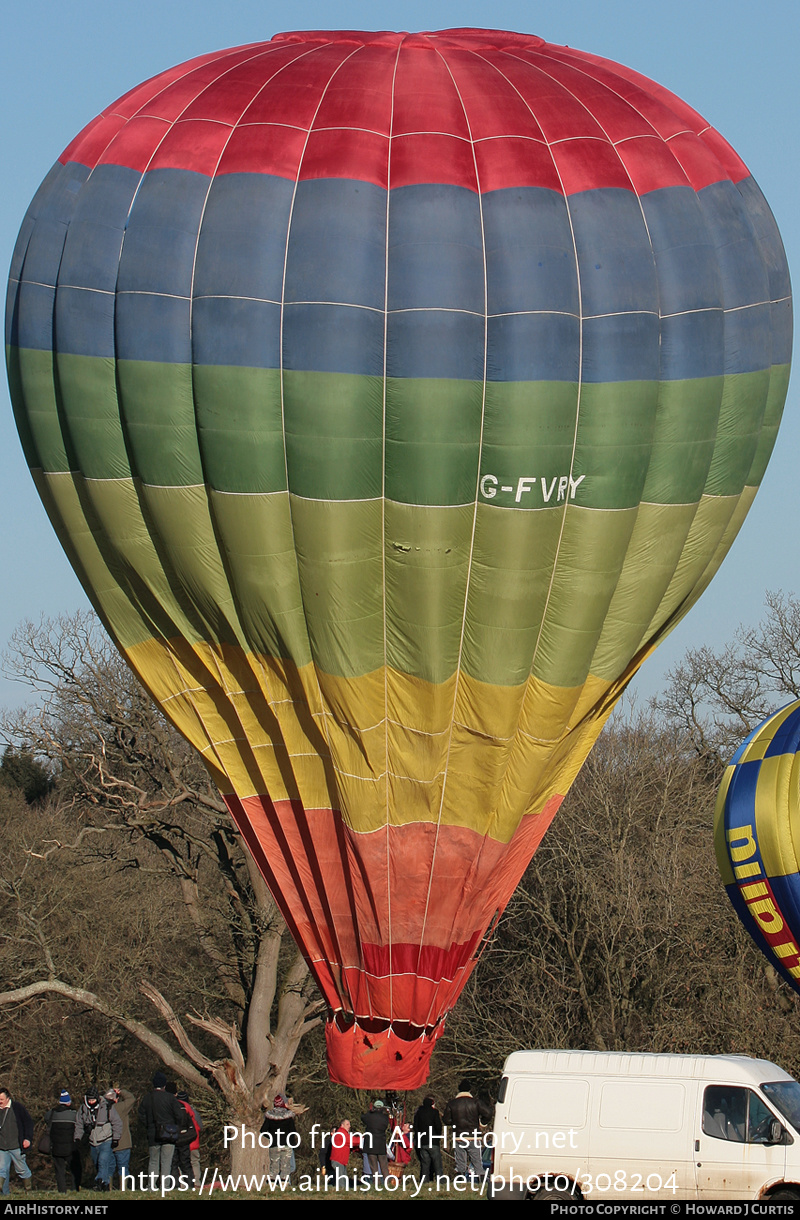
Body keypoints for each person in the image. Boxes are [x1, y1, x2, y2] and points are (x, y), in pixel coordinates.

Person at [139, 1071, 186, 1190]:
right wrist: (176, 1126)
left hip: (153, 1134)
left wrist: (149, 1125)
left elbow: (141, 1115)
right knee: (166, 1162)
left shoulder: (147, 1098)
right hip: (169, 1133)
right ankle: (164, 1186)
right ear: (164, 1085)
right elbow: (179, 1115)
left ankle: (151, 1186)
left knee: (153, 1161)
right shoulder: (170, 1098)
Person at [442, 1080, 492, 1182]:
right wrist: (482, 1123)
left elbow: (446, 1120)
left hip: (459, 1136)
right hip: (473, 1136)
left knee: (460, 1164)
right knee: (478, 1163)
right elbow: (488, 1113)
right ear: (469, 1090)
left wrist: (455, 1122)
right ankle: (482, 1183)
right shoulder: (476, 1102)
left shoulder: (452, 1104)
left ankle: (460, 1184)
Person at [75, 1085, 122, 1192]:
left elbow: (117, 1122)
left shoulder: (107, 1106)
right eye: (89, 1100)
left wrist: (116, 1138)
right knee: (97, 1163)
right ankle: (105, 1184)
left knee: (103, 1161)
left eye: (93, 1099)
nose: (91, 1102)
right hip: (93, 1140)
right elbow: (79, 1124)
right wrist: (77, 1138)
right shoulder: (83, 1109)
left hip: (106, 1139)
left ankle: (98, 1181)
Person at [45, 1089, 81, 1193]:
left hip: (56, 1147)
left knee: (59, 1170)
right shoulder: (74, 1114)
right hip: (71, 1148)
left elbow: (46, 1120)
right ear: (68, 1103)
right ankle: (75, 1188)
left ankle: (62, 1190)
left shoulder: (51, 1113)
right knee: (75, 1168)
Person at [0, 1088, 33, 1193]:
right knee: (2, 1170)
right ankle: (4, 1194)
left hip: (16, 1146)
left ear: (8, 1098)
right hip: (2, 1147)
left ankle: (28, 1191)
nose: (0, 1101)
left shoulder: (17, 1108)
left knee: (22, 1169)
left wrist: (27, 1138)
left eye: (1, 1099)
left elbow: (28, 1123)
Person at [260, 1094, 297, 1181]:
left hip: (274, 1144)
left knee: (274, 1166)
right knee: (286, 1167)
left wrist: (271, 1136)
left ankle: (272, 1185)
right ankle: (284, 1185)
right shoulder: (288, 1117)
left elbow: (263, 1131)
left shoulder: (270, 1117)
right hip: (286, 1145)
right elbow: (293, 1131)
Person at [106, 1086, 135, 1188]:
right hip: (123, 1142)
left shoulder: (102, 1110)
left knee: (109, 1167)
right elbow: (131, 1099)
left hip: (107, 1143)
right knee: (123, 1167)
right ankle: (123, 1189)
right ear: (116, 1099)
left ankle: (108, 1188)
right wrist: (121, 1091)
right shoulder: (121, 1108)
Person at [413, 1095, 443, 1182]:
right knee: (437, 1163)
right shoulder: (434, 1112)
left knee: (425, 1164)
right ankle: (440, 1180)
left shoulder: (419, 1113)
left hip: (422, 1141)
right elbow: (438, 1126)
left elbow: (416, 1127)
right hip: (433, 1141)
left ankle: (424, 1181)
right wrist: (438, 1136)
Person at [176, 1091, 201, 1188]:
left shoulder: (176, 1110)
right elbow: (200, 1126)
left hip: (181, 1141)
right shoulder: (193, 1111)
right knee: (194, 1162)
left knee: (181, 1163)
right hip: (194, 1141)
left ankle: (183, 1184)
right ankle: (196, 1182)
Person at [361, 1099, 390, 1180]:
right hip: (381, 1144)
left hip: (370, 1144)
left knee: (374, 1167)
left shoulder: (369, 1116)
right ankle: (387, 1183)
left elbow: (362, 1117)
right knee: (384, 1166)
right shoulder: (385, 1118)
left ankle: (376, 1183)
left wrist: (370, 1112)